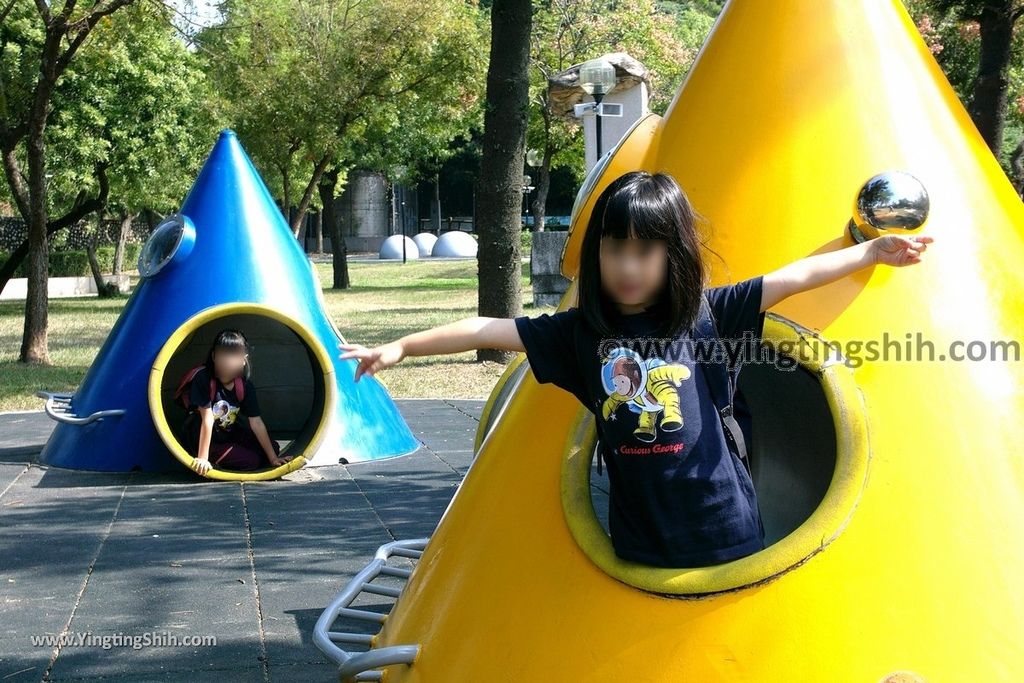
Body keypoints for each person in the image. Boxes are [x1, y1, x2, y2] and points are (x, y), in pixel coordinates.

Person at [337, 170, 934, 568]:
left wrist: (871, 250)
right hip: (641, 539)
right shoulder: (580, 336)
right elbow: (488, 329)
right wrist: (401, 347)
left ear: (669, 256)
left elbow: (791, 278)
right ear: (597, 251)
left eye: (644, 252)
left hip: (725, 527)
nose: (628, 265)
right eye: (614, 248)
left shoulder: (704, 315)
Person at [183, 329, 294, 475]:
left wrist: (273, 459)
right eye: (223, 355)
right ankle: (215, 460)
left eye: (233, 356)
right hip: (207, 441)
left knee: (272, 448)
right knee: (251, 462)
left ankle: (240, 455)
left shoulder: (244, 386)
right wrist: (202, 458)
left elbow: (256, 422)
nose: (227, 361)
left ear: (243, 360)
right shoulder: (203, 379)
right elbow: (207, 419)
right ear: (214, 356)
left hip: (229, 435)